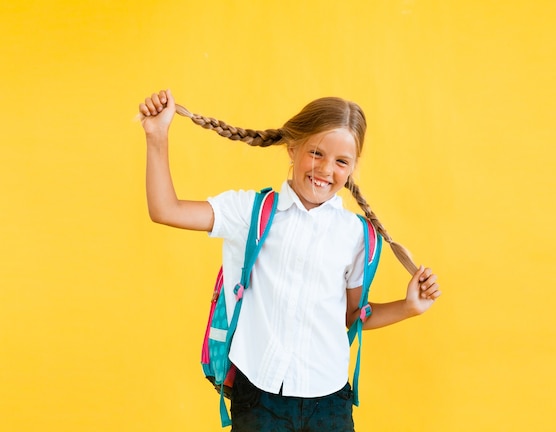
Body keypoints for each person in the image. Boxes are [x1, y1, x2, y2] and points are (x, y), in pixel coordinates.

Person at [139, 89, 441, 432]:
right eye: (316, 153)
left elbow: (353, 316)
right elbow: (166, 209)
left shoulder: (357, 235)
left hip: (330, 404)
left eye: (342, 161)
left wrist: (409, 306)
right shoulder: (248, 212)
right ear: (293, 147)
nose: (326, 169)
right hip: (258, 399)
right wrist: (156, 135)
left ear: (353, 166)